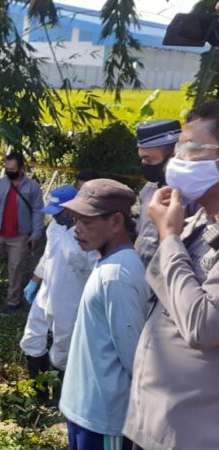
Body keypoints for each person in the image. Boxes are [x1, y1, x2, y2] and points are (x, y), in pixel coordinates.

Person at [124, 100, 219, 450]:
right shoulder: (197, 221)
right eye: (179, 148)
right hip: (156, 422)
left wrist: (169, 237)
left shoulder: (180, 228)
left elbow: (202, 324)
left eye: (193, 149)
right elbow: (158, 281)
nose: (179, 159)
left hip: (193, 433)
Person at [57, 179, 151, 450]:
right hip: (85, 410)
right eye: (76, 220)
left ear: (116, 221)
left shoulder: (117, 274)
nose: (77, 229)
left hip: (104, 418)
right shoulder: (108, 263)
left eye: (87, 222)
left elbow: (134, 357)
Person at [20, 186, 98, 404]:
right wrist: (35, 279)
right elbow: (48, 256)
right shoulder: (54, 227)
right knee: (32, 340)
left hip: (70, 301)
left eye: (59, 211)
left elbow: (96, 272)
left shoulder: (89, 236)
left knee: (64, 350)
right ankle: (39, 395)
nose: (55, 216)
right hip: (46, 293)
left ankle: (61, 400)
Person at [0, 152, 44, 313]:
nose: (10, 171)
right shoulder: (0, 184)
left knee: (15, 268)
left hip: (20, 236)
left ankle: (13, 302)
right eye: (7, 168)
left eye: (13, 169)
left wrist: (36, 233)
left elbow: (38, 211)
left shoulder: (32, 187)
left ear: (21, 168)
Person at [134, 119, 184, 267]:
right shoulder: (148, 190)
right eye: (141, 158)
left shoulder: (191, 196)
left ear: (172, 155)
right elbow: (141, 236)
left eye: (148, 159)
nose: (144, 165)